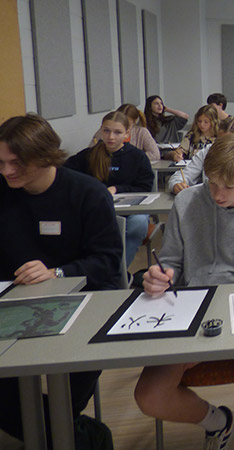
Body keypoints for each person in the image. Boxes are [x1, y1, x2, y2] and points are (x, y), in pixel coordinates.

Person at [135, 134, 234, 450]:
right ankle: (217, 421)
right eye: (212, 183)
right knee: (149, 395)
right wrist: (161, 275)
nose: (217, 194)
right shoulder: (187, 202)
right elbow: (171, 261)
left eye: (228, 186)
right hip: (193, 312)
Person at [0, 114, 122, 443]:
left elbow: (107, 261)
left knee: (61, 403)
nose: (7, 171)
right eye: (2, 162)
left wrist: (58, 272)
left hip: (87, 304)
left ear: (45, 156)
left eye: (17, 163)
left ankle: (71, 431)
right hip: (17, 305)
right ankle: (75, 435)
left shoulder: (87, 193)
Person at [65, 111, 154, 266]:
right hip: (98, 208)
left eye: (117, 132)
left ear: (127, 133)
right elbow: (66, 174)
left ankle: (118, 270)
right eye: (106, 131)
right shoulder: (90, 154)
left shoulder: (137, 156)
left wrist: (117, 188)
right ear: (101, 130)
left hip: (131, 208)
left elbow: (145, 187)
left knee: (138, 224)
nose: (111, 137)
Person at [169, 116, 234, 194]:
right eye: (221, 141)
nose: (226, 146)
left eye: (232, 141)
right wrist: (177, 184)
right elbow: (184, 175)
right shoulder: (208, 151)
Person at [90, 103, 160, 161]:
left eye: (127, 125)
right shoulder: (104, 131)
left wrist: (129, 158)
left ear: (135, 121)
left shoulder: (142, 132)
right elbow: (91, 151)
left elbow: (155, 154)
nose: (111, 136)